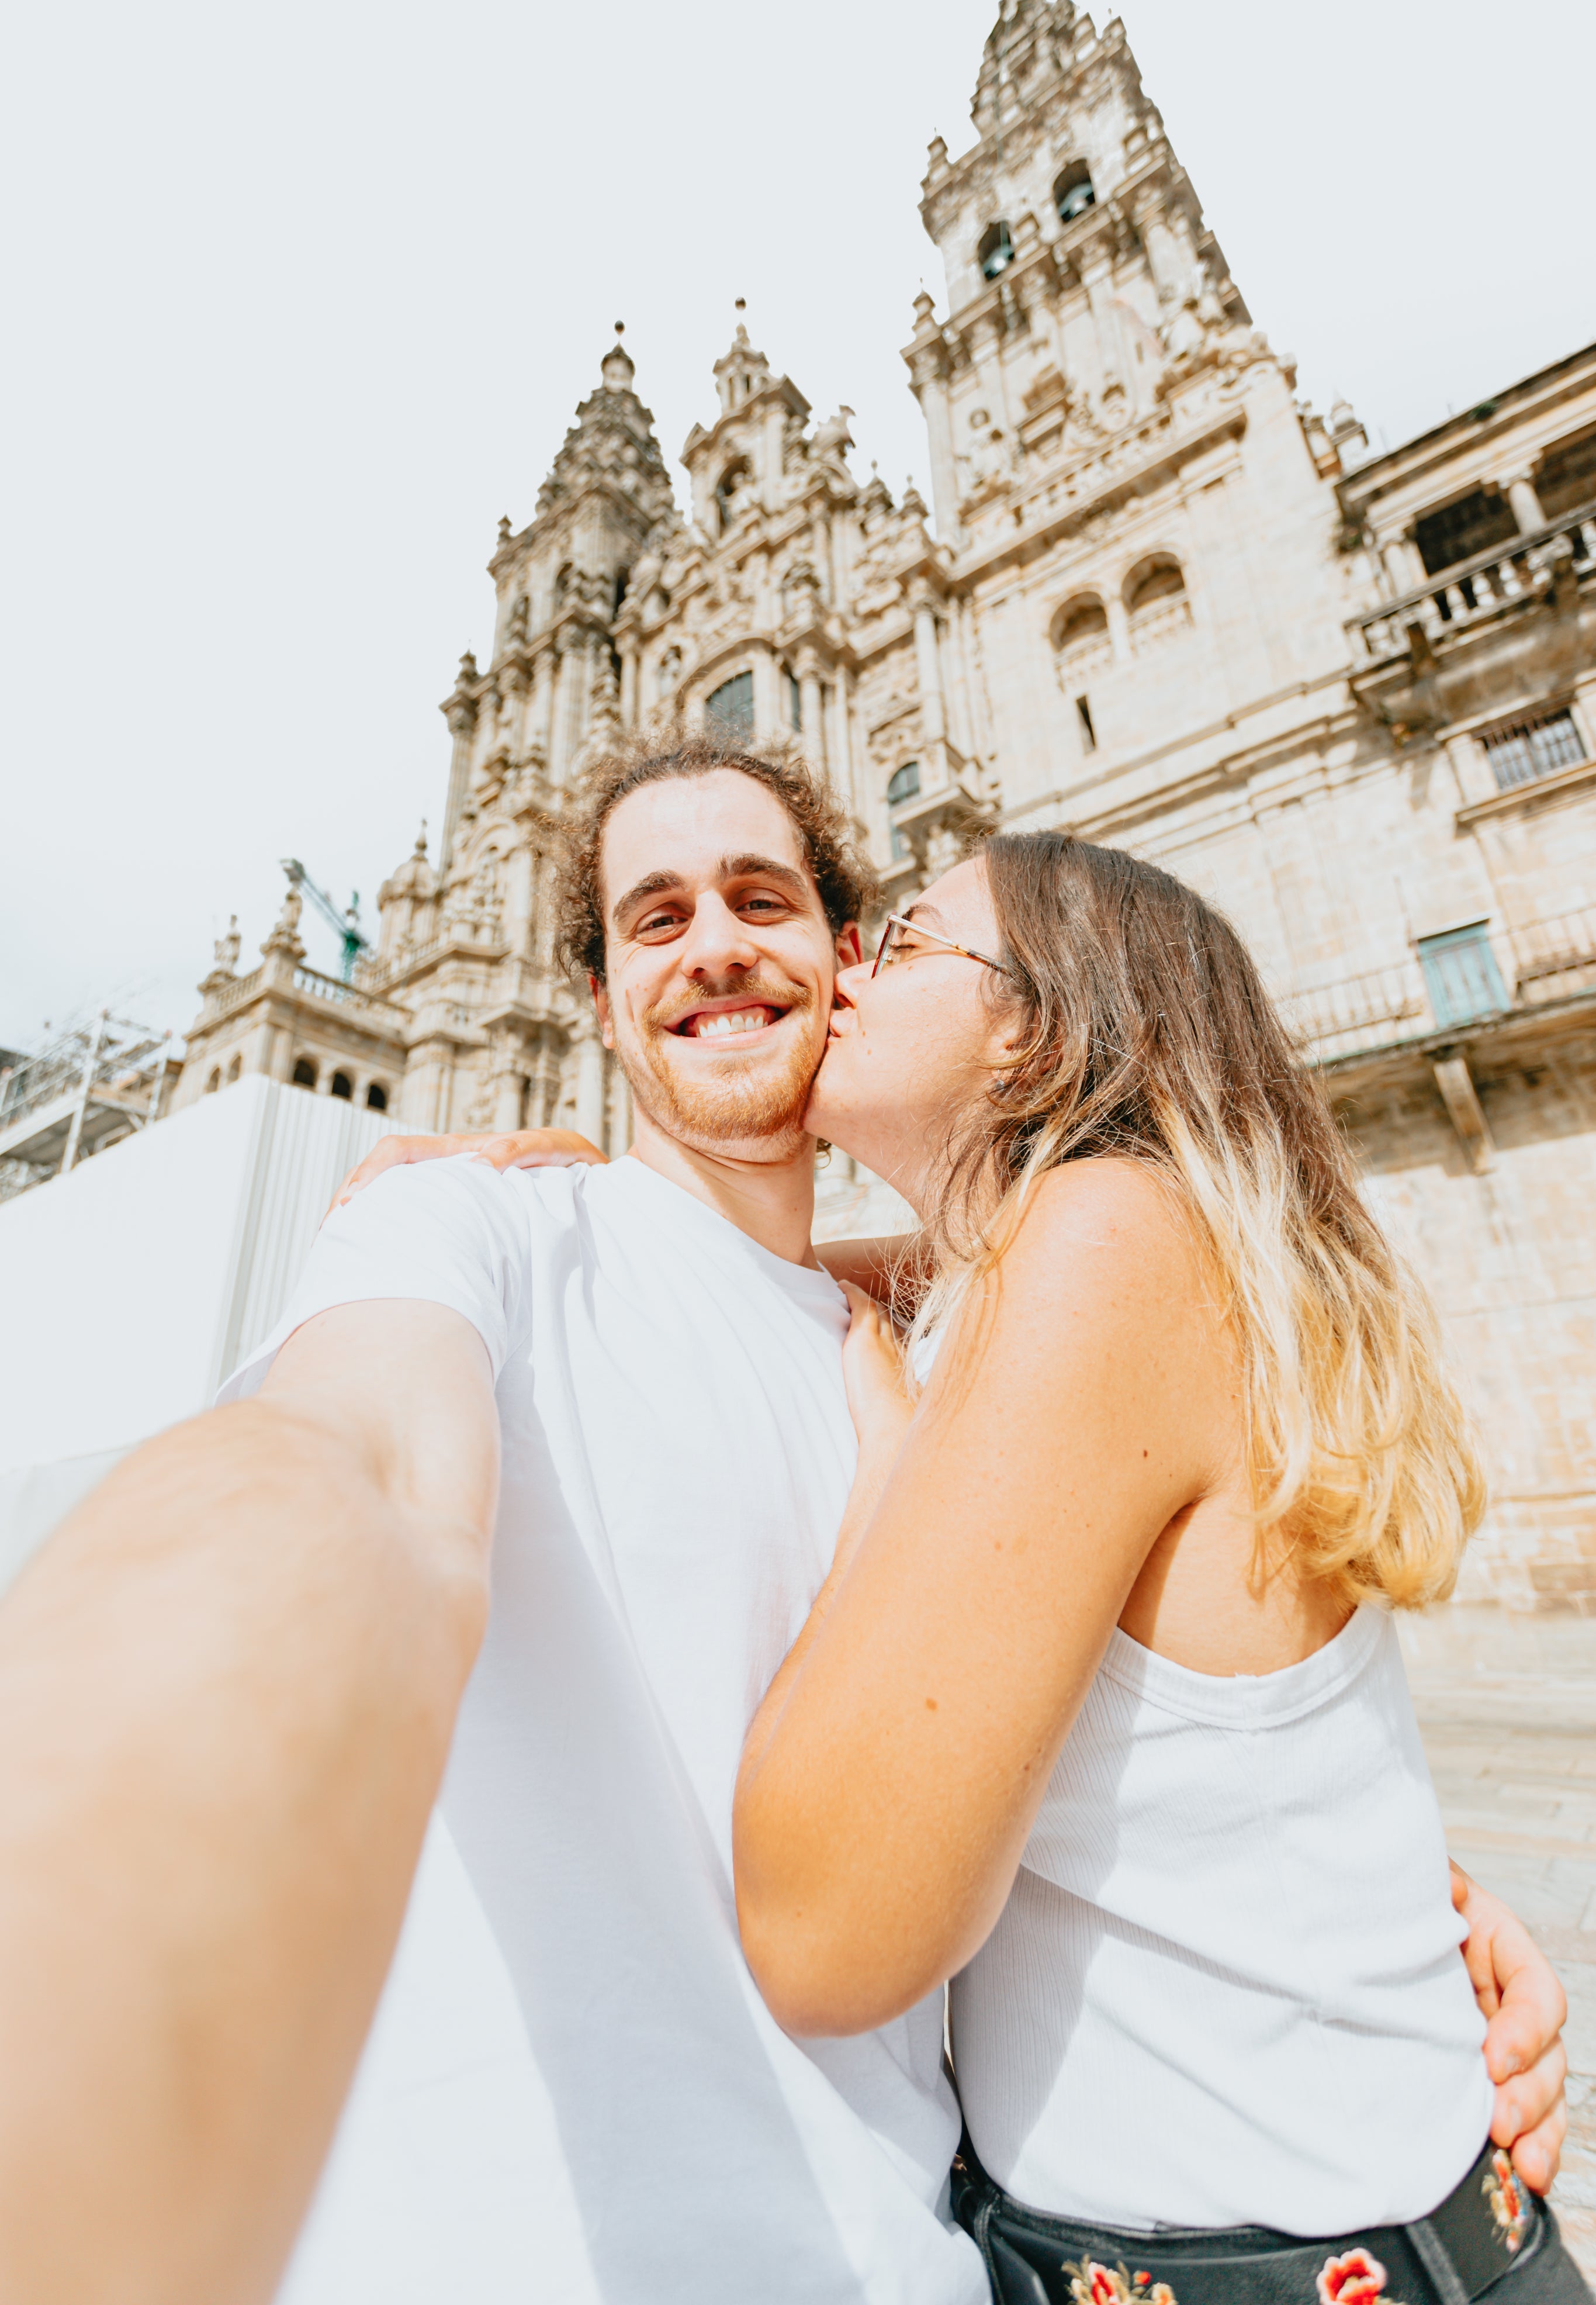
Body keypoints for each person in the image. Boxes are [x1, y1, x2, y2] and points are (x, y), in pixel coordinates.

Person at [0, 739, 1565, 2305]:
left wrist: (1399, 1909)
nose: (719, 947)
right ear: (599, 1001)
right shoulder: (528, 1241)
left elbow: (877, 1910)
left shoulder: (1025, 1292)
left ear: (863, 969)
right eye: (654, 917)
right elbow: (359, 1464)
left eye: (787, 909)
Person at [724, 831, 1590, 2301]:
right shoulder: (1063, 1265)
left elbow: (825, 1941)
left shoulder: (1104, 1236)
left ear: (1037, 1028)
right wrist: (550, 1197)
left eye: (910, 939)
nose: (848, 967)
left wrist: (883, 1478)